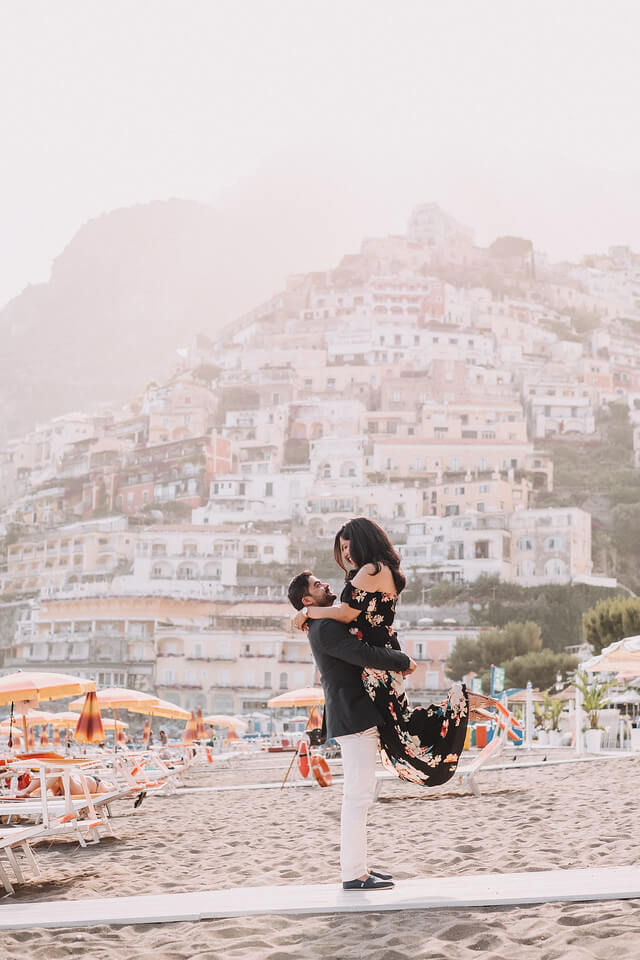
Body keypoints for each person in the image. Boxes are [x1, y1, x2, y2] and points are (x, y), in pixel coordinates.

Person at [292, 517, 498, 786]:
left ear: (363, 540)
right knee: (400, 724)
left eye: (347, 546)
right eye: (341, 550)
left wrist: (307, 612)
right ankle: (455, 711)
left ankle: (458, 706)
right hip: (384, 651)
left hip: (379, 662)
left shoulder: (371, 570)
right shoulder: (380, 569)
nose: (345, 554)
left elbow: (346, 612)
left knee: (399, 735)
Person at [288, 569, 416, 892]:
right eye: (317, 585)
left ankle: (358, 867)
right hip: (353, 716)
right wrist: (402, 660)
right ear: (307, 599)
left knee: (359, 794)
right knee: (357, 796)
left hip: (353, 716)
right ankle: (354, 873)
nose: (326, 584)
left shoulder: (320, 622)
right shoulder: (325, 627)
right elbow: (362, 654)